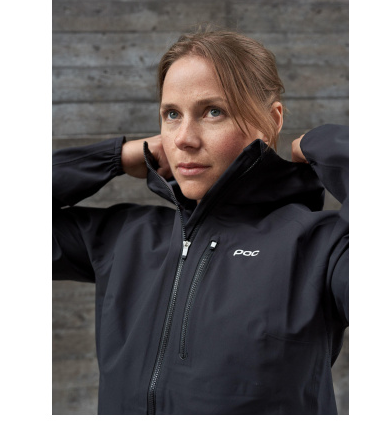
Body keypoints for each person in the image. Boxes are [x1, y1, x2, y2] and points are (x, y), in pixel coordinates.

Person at [52, 29, 349, 415]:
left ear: (271, 121)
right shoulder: (125, 238)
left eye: (213, 112)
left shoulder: (320, 247)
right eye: (172, 115)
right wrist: (116, 157)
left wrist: (330, 147)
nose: (183, 139)